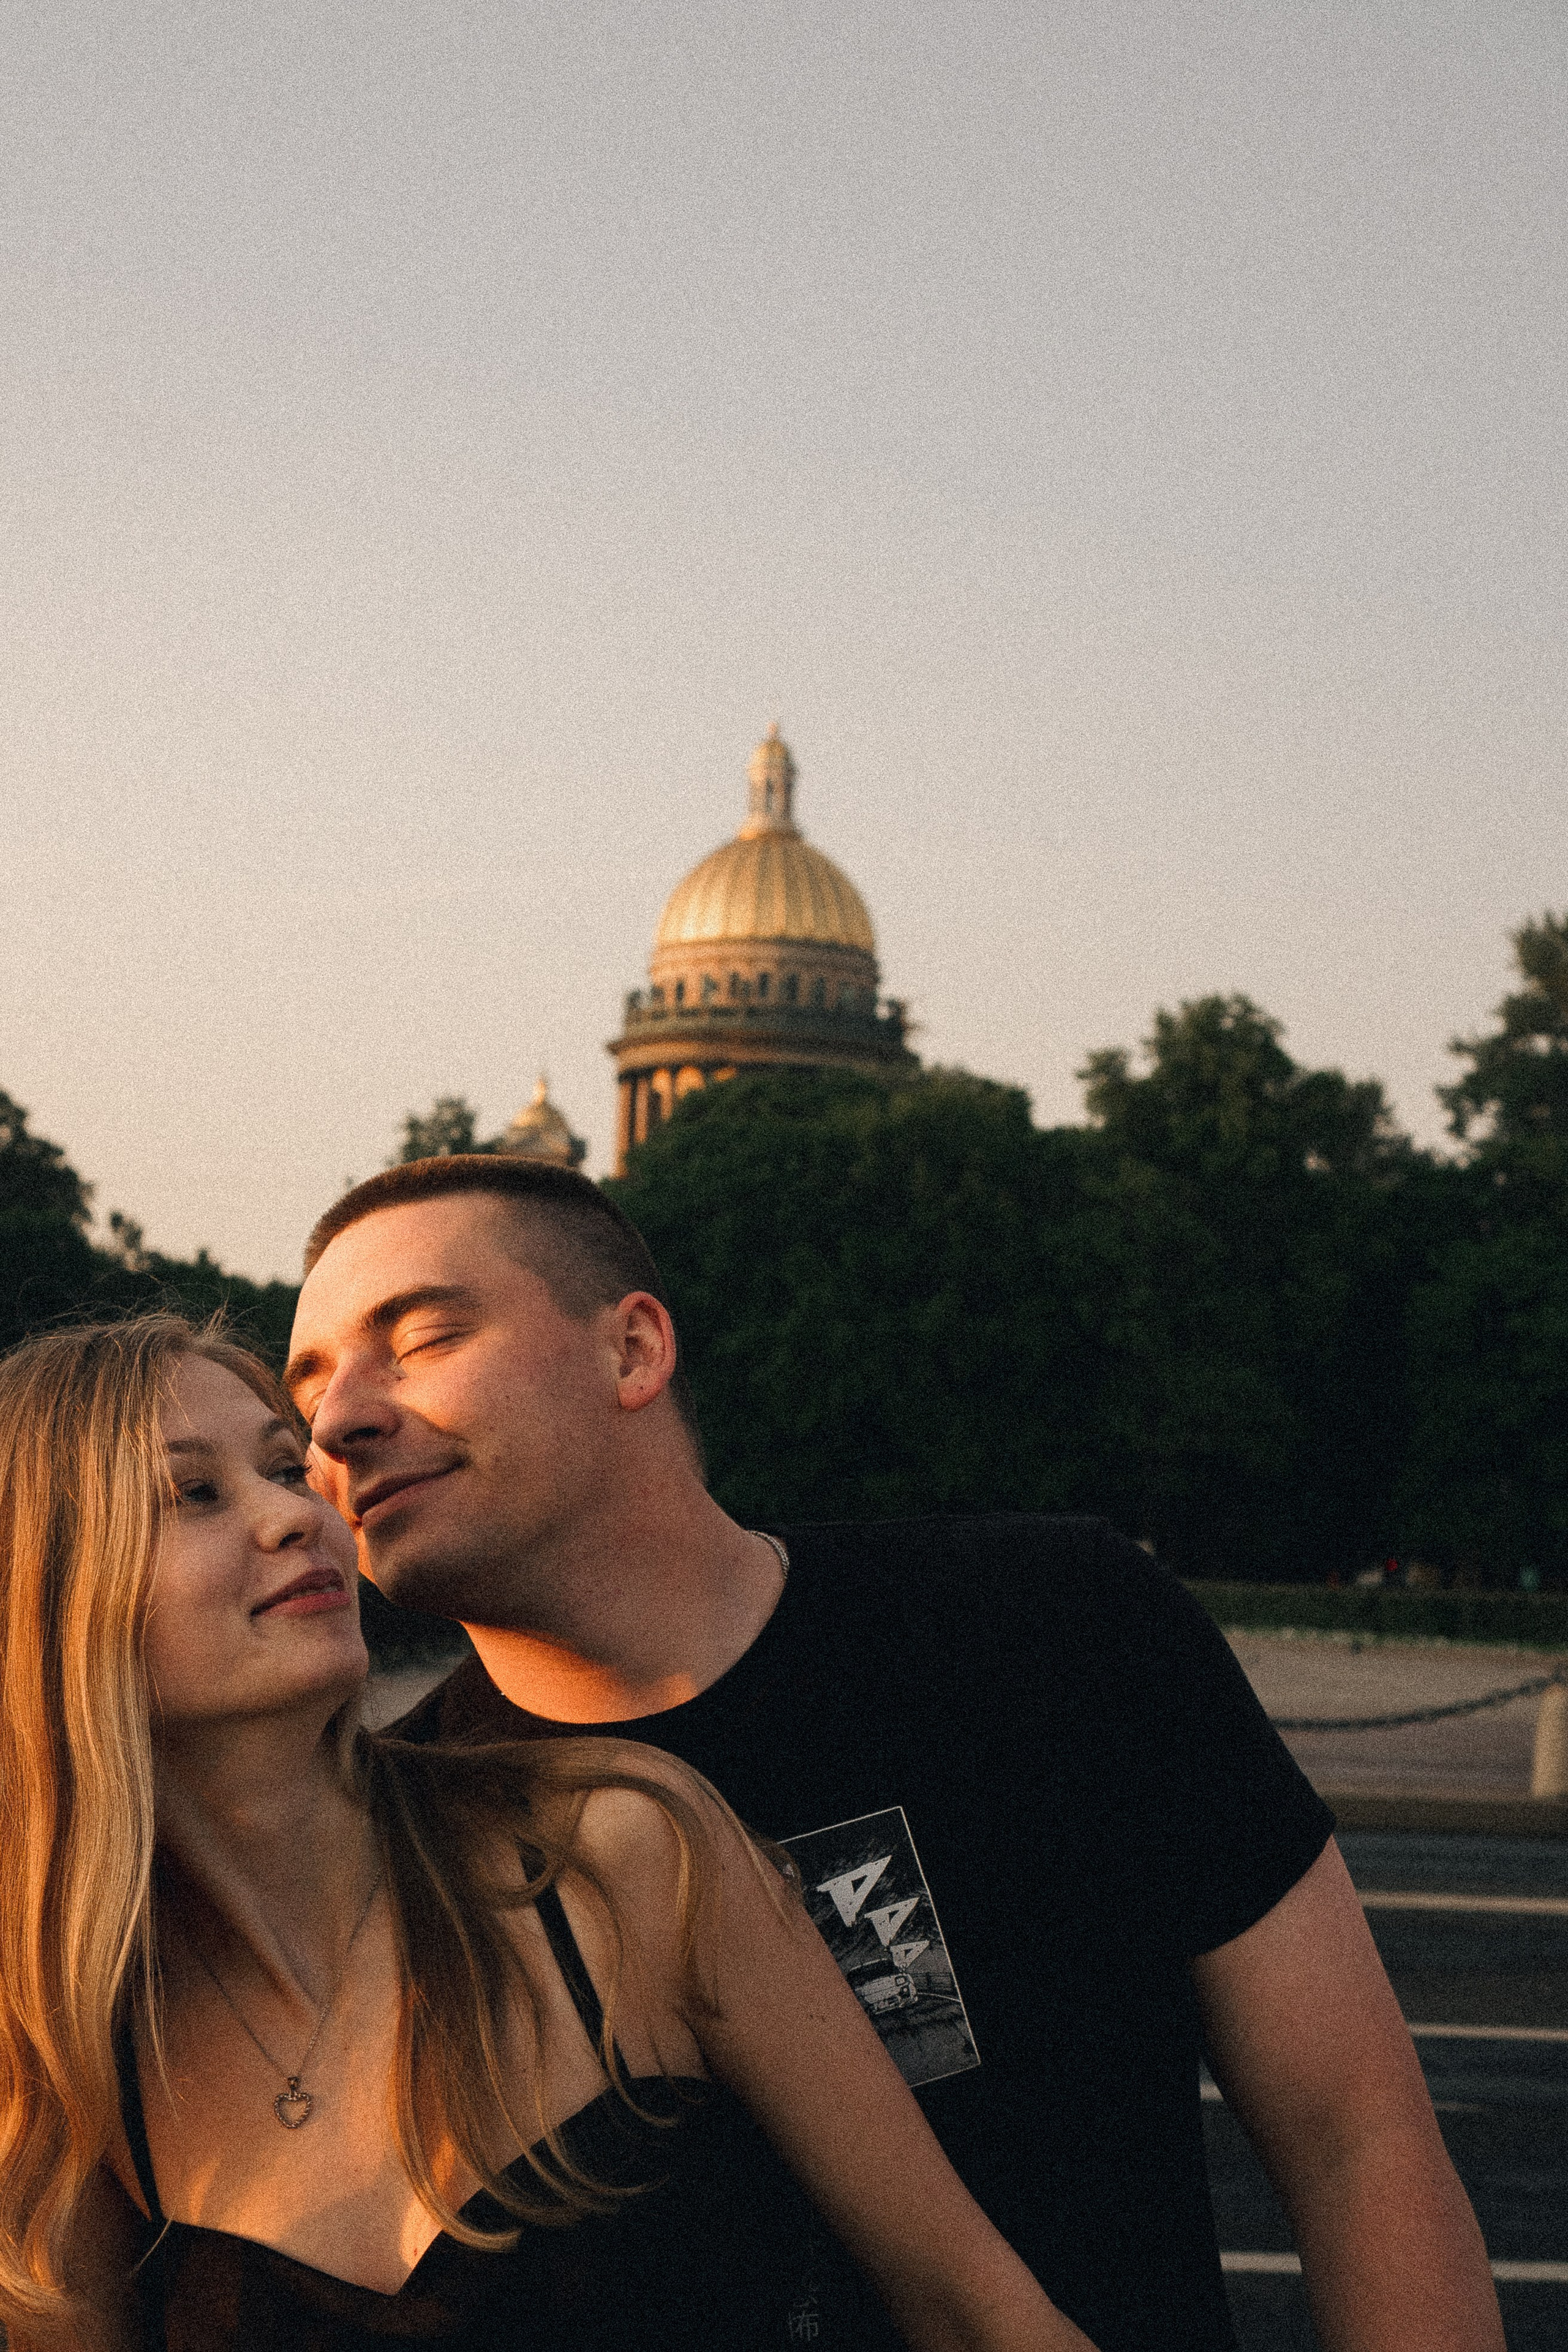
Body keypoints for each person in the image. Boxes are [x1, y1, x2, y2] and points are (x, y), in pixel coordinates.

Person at [285, 1155, 1506, 2352]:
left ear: (633, 1351)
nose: (340, 1420)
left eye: (427, 1339)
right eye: (309, 1391)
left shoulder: (1058, 1628)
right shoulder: (394, 1845)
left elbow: (1357, 2140)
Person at [0, 1314, 1093, 2352]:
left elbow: (974, 2315)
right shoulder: (57, 2073)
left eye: (287, 1470)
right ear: (41, 1600)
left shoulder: (618, 1852)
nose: (300, 1515)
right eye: (192, 1494)